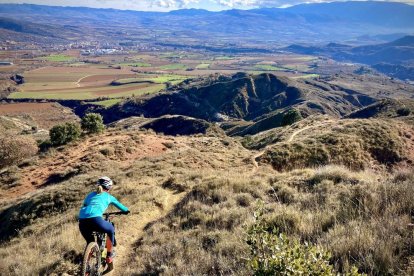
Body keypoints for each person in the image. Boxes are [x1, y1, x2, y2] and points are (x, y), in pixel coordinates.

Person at [78, 176, 129, 264]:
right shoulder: (108, 196)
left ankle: (86, 264)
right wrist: (126, 210)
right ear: (109, 187)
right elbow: (121, 207)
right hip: (96, 219)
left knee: (90, 241)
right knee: (110, 229)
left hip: (82, 221)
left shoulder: (90, 195)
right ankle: (109, 255)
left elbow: (85, 206)